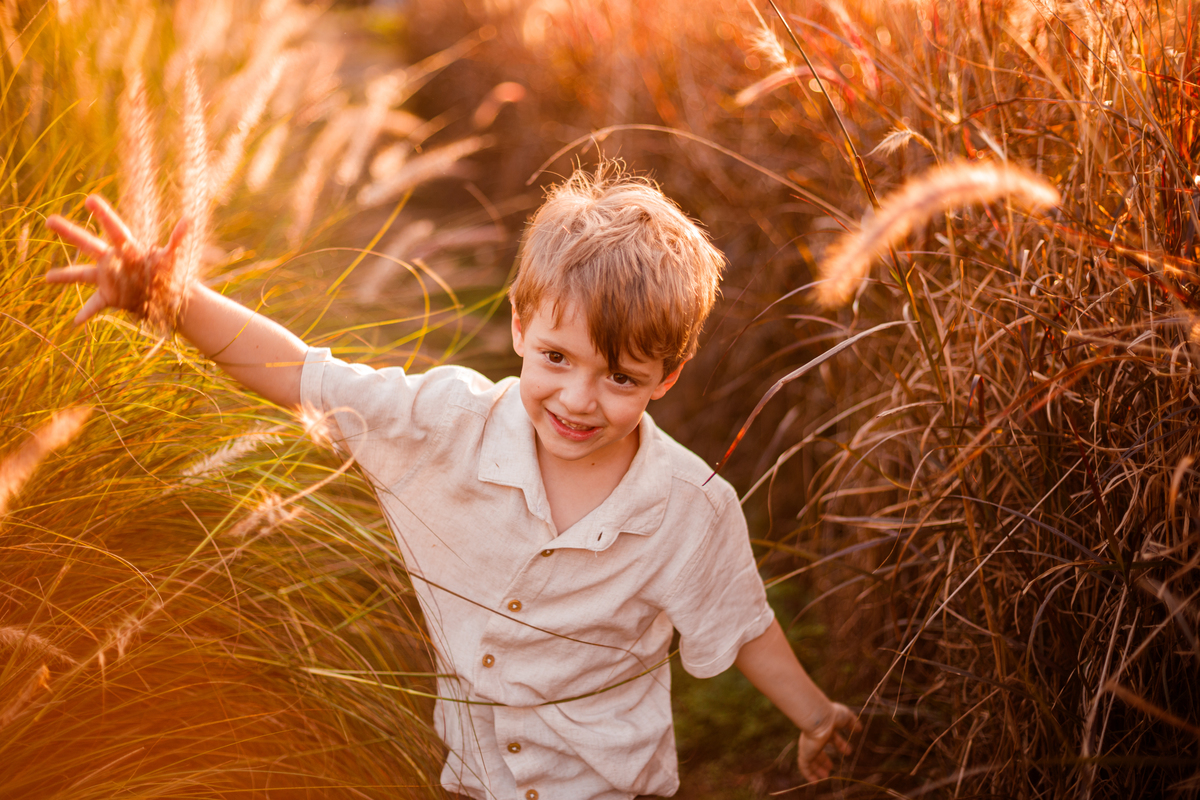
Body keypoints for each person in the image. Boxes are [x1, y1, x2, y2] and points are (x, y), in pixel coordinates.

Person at [46, 163, 859, 800]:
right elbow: (303, 374)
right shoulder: (439, 425)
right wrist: (169, 297)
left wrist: (816, 717)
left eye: (620, 377)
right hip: (474, 782)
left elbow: (739, 620)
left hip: (611, 789)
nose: (579, 400)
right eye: (555, 359)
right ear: (518, 323)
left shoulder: (688, 507)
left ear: (667, 377)